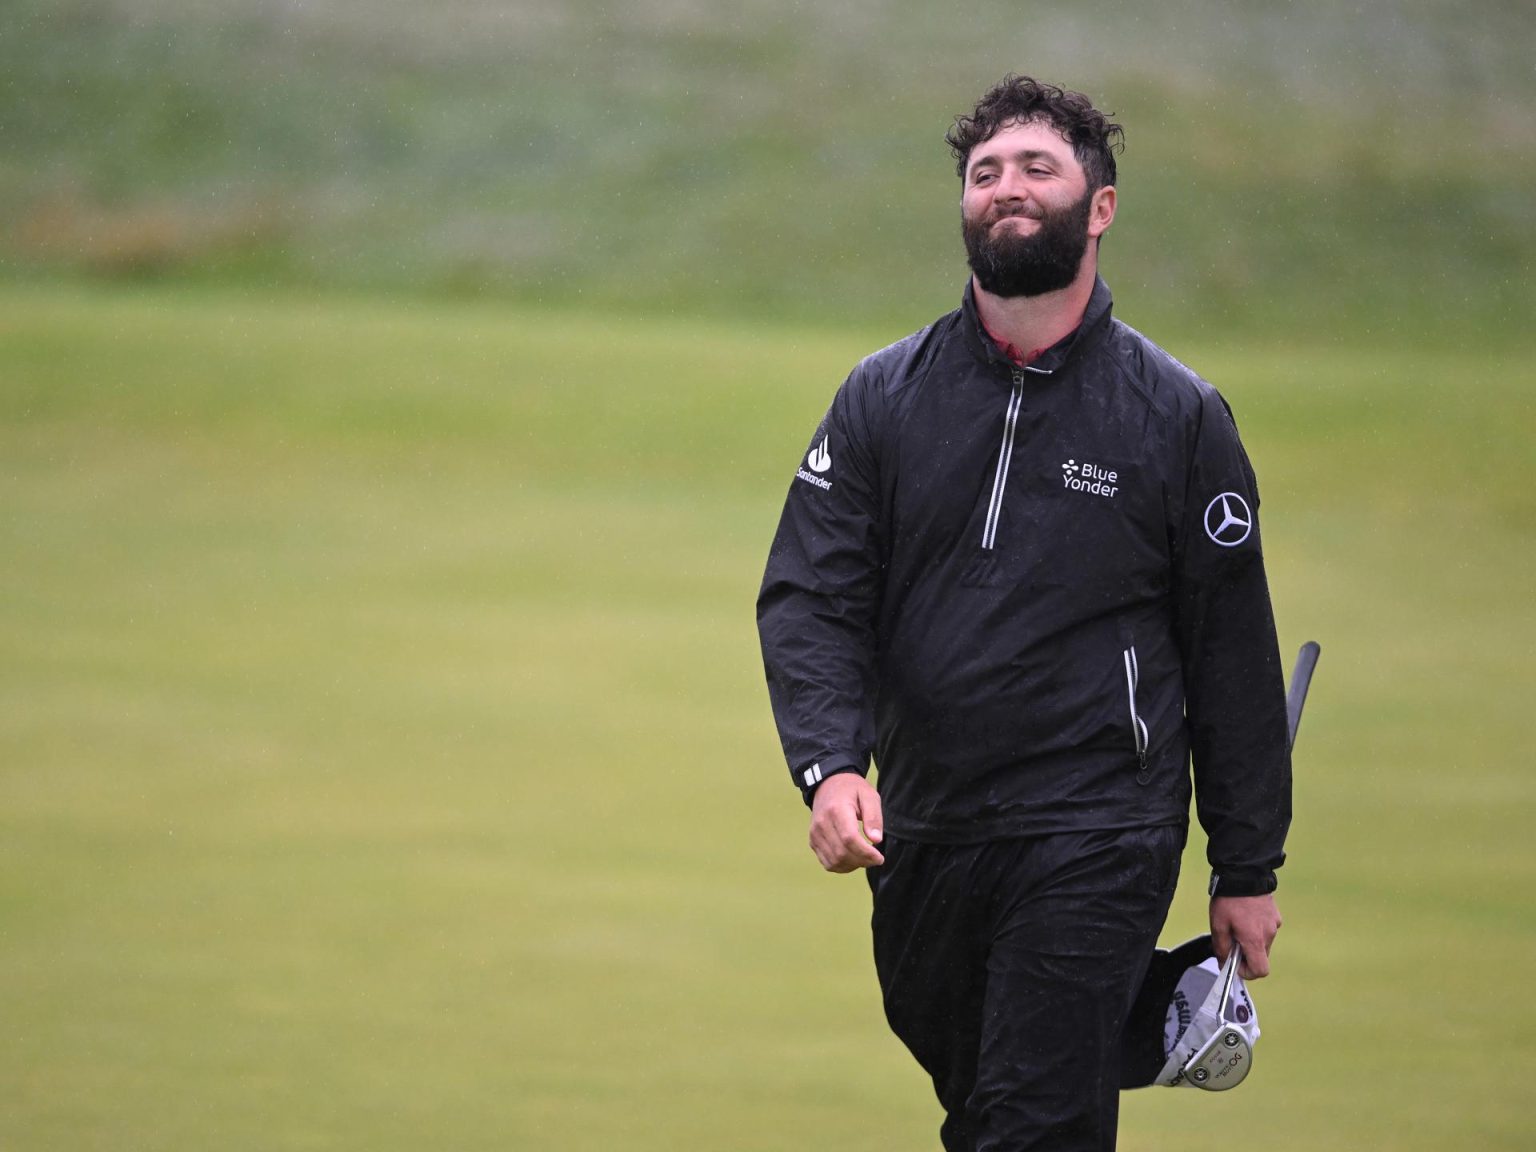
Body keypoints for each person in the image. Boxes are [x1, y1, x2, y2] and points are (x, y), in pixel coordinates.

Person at [755, 75, 1292, 1151]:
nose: (1006, 186)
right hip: (929, 827)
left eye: (1036, 167)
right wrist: (832, 765)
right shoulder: (882, 397)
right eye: (984, 172)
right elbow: (811, 593)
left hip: (1098, 826)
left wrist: (1246, 866)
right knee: (989, 1104)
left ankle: (1113, 1018)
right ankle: (1133, 1024)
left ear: (1099, 205)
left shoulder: (1177, 418)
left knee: (1034, 1122)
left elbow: (1231, 653)